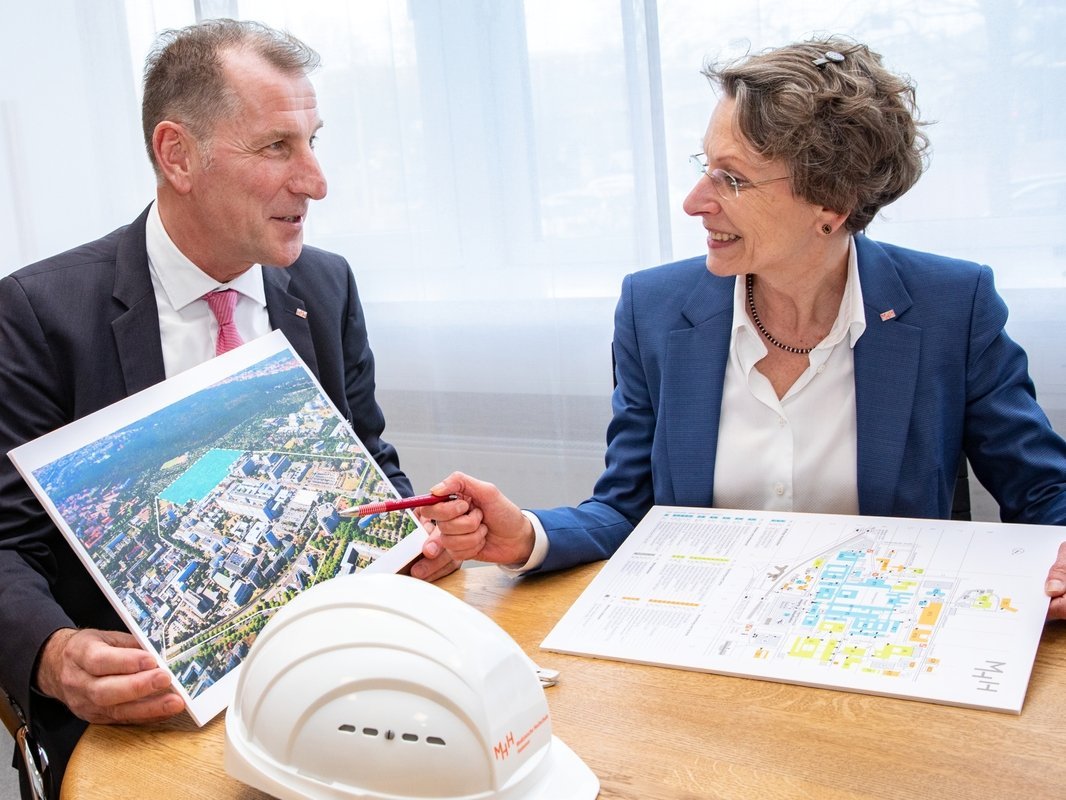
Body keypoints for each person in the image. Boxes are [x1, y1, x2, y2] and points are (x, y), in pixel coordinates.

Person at [412, 36, 1066, 619]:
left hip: (880, 648)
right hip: (710, 654)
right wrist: (525, 534)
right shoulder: (656, 308)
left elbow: (1041, 491)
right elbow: (627, 507)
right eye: (704, 166)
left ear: (830, 203)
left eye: (732, 178)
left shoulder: (953, 304)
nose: (695, 201)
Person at [0, 18, 456, 798]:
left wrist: (411, 531)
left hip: (328, 681)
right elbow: (4, 542)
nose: (315, 181)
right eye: (278, 147)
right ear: (178, 154)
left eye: (314, 141)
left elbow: (368, 462)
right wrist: (52, 654)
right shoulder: (41, 313)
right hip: (144, 723)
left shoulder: (325, 285)